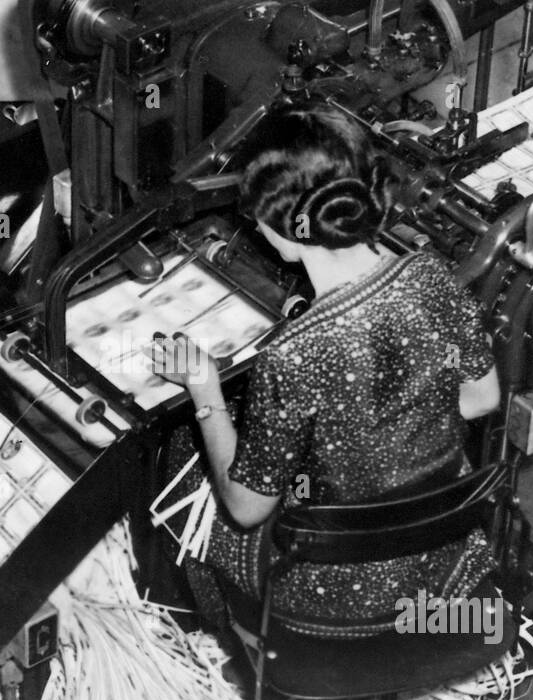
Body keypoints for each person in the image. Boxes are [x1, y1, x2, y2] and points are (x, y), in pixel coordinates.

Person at [151, 103, 502, 638]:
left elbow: (246, 509)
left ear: (284, 229)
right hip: (444, 564)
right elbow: (482, 398)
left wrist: (205, 391)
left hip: (337, 599)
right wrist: (382, 427)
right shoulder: (433, 275)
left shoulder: (291, 354)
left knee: (180, 454)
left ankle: (226, 635)